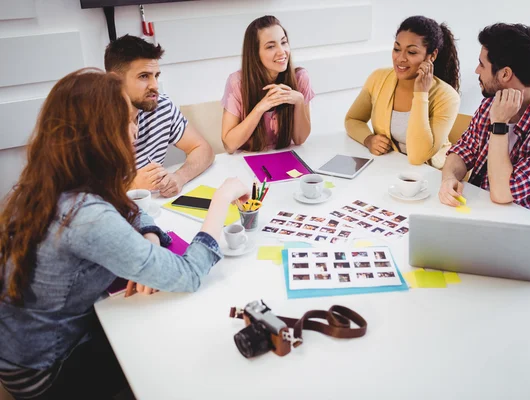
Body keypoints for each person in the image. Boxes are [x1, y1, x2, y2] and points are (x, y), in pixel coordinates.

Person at [0, 68, 250, 399]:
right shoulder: (85, 216)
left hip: (20, 348)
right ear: (100, 133)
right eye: (129, 122)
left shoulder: (51, 181)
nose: (135, 132)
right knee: (175, 350)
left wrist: (149, 235)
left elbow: (124, 205)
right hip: (46, 372)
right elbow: (188, 274)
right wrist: (221, 199)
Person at [438, 23, 530, 227]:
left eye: (482, 64)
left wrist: (499, 124)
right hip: (485, 215)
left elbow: (502, 193)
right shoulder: (491, 103)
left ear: (505, 74)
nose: (476, 70)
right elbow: (462, 152)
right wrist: (448, 178)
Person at [104, 35, 215, 197]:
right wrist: (132, 186)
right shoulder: (92, 121)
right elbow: (75, 198)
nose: (155, 85)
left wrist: (179, 177)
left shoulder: (161, 105)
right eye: (144, 76)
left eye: (156, 76)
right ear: (115, 80)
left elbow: (203, 149)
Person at [345, 16, 460, 169]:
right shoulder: (378, 78)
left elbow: (417, 157)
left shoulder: (448, 97)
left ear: (432, 55)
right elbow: (352, 119)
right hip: (390, 168)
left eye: (412, 52)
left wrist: (421, 94)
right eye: (397, 49)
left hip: (430, 176)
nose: (400, 58)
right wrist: (368, 139)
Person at [221, 15, 315, 153]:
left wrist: (299, 101)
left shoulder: (300, 78)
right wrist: (260, 108)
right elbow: (229, 145)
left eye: (284, 42)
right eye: (271, 46)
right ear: (255, 53)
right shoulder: (237, 83)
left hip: (285, 160)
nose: (282, 52)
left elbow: (300, 139)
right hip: (247, 163)